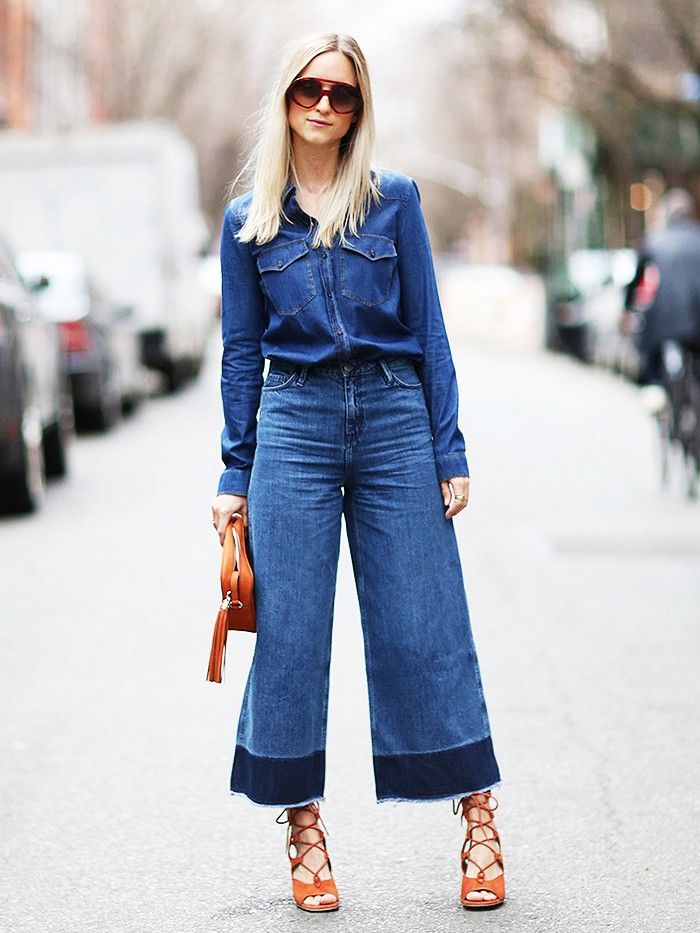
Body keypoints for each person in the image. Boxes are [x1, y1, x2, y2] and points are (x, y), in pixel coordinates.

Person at [210, 31, 505, 913]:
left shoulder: (394, 200)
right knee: (291, 634)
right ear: (287, 97)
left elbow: (431, 329)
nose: (324, 105)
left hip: (393, 417)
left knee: (425, 621)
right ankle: (303, 828)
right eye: (310, 88)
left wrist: (449, 450)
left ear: (358, 108)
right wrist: (234, 472)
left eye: (342, 93)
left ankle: (479, 820)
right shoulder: (248, 220)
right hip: (293, 422)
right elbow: (240, 352)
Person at [623, 187, 700, 389]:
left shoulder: (655, 239)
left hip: (665, 318)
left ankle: (656, 392)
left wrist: (627, 308)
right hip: (696, 317)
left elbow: (636, 279)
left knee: (651, 363)